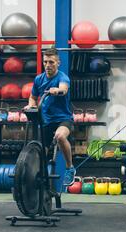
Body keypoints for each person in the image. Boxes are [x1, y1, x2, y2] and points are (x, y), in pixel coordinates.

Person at [24, 48, 76, 186]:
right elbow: (32, 97)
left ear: (58, 63)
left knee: (60, 136)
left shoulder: (62, 78)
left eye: (51, 62)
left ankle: (70, 168)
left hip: (63, 119)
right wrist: (31, 106)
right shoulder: (38, 79)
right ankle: (41, 181)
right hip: (46, 121)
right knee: (42, 155)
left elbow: (64, 89)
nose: (48, 65)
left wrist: (57, 90)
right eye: (45, 62)